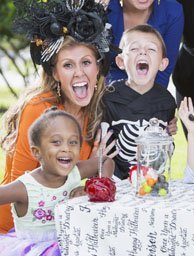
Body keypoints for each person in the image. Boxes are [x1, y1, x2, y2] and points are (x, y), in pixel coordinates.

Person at [0, 0, 114, 233]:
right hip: (16, 229)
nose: (79, 74)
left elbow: (88, 175)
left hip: (62, 228)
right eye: (68, 65)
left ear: (98, 68)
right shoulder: (40, 109)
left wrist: (94, 173)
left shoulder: (92, 112)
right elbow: (24, 186)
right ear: (55, 73)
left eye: (86, 62)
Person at [0, 109, 114, 255]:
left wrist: (96, 187)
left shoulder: (75, 172)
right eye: (56, 142)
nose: (66, 148)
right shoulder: (26, 188)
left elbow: (105, 161)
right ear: (37, 152)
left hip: (73, 245)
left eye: (73, 142)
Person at [103, 24, 177, 180]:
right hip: (114, 179)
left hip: (152, 179)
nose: (143, 51)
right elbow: (100, 142)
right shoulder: (108, 98)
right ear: (121, 61)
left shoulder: (167, 101)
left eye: (151, 49)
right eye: (134, 49)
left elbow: (167, 142)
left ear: (162, 64)